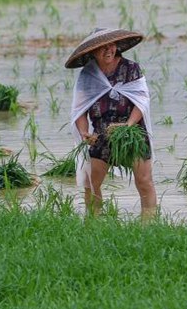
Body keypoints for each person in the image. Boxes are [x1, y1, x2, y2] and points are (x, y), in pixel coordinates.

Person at [66, 28, 157, 219]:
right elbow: (80, 108)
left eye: (111, 46)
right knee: (92, 183)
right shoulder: (87, 75)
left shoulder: (131, 68)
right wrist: (84, 133)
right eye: (102, 48)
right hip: (101, 132)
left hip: (132, 131)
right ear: (93, 52)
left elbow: (141, 100)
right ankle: (94, 221)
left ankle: (150, 222)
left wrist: (129, 125)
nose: (108, 50)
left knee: (144, 181)